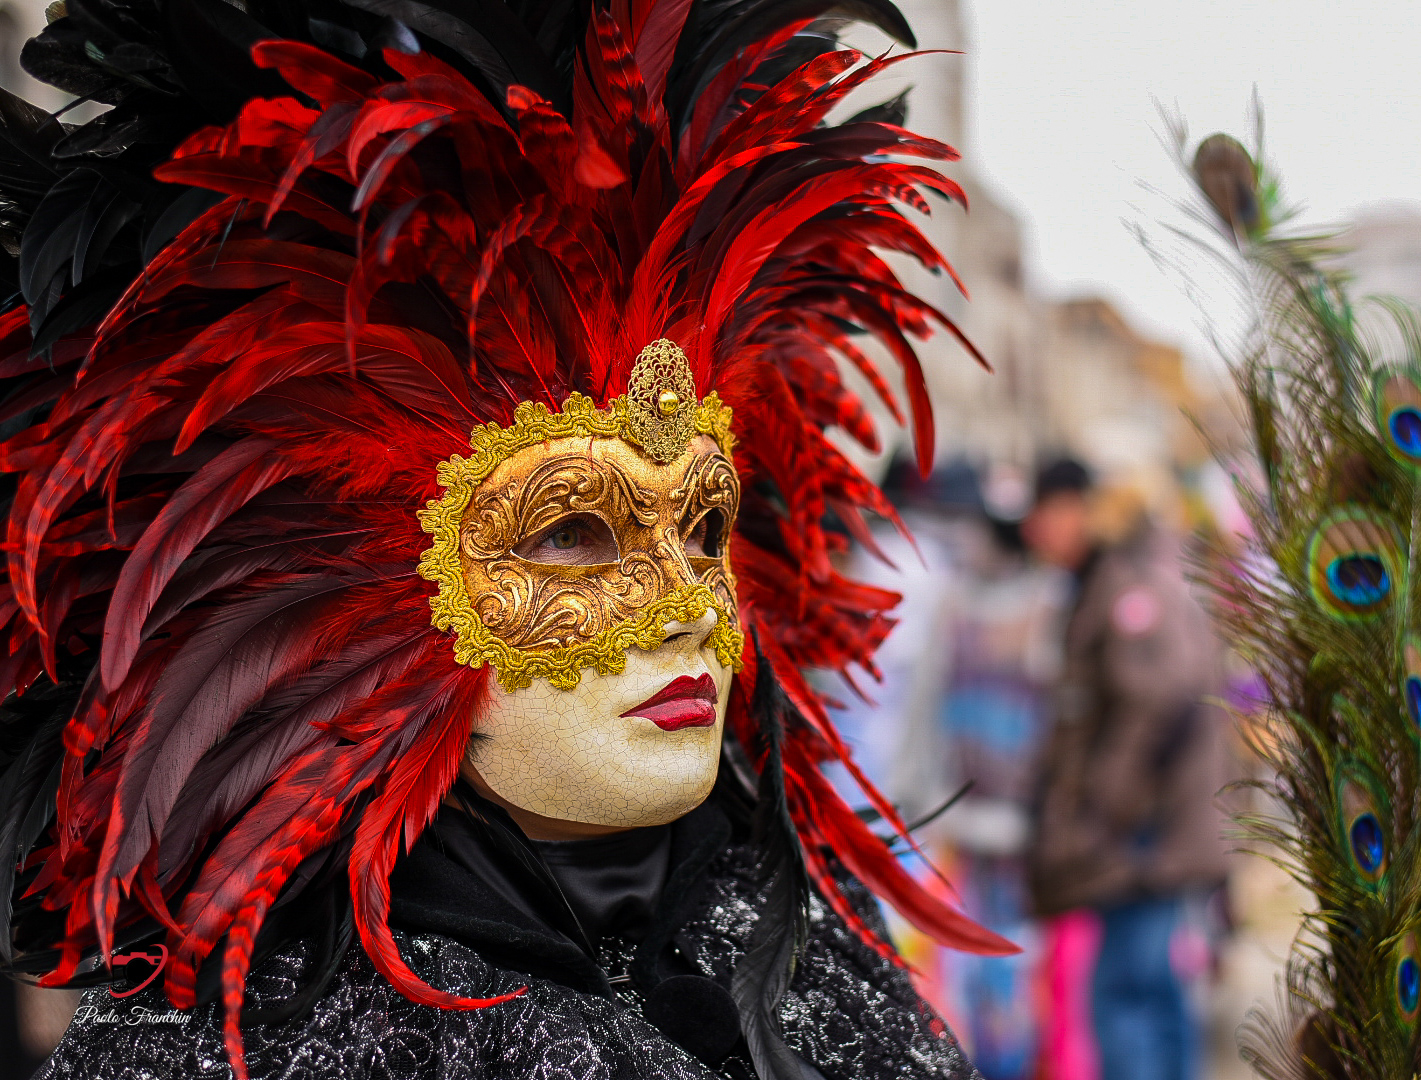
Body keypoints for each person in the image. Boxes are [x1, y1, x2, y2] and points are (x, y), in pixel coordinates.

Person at [0, 1, 1018, 1078]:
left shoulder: (811, 934)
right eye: (574, 532)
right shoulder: (255, 1048)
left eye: (703, 526)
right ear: (359, 606)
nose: (690, 609)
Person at [1024, 460, 1232, 1080]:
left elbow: (1159, 697)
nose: (1035, 533)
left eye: (1042, 515)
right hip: (1149, 830)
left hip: (1142, 837)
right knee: (1155, 989)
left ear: (1073, 510)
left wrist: (1101, 809)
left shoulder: (1125, 585)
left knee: (1125, 993)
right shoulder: (1116, 578)